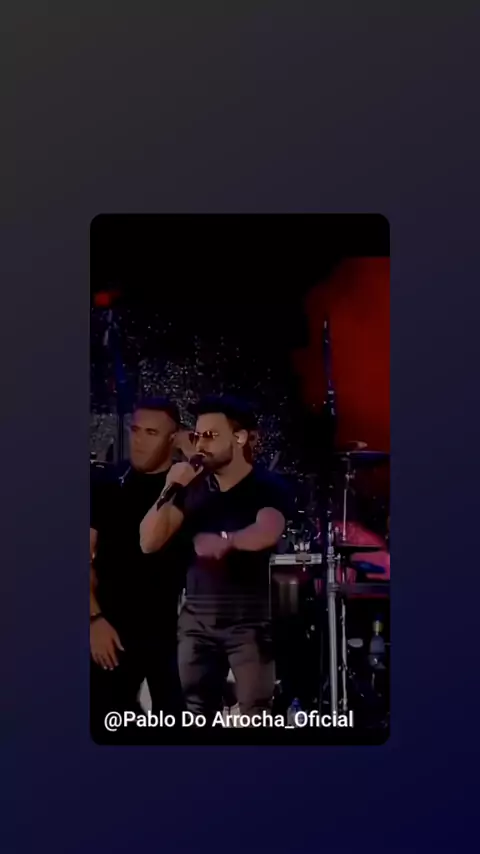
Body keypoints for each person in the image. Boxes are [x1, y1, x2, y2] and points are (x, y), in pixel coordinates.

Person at [140, 395, 292, 724]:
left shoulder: (266, 486)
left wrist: (227, 541)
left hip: (248, 623)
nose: (200, 445)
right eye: (197, 436)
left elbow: (268, 529)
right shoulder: (194, 488)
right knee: (195, 714)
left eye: (210, 436)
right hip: (196, 622)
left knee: (254, 715)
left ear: (239, 438)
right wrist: (169, 487)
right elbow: (149, 542)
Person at [90, 397, 187, 742]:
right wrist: (94, 619)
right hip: (112, 630)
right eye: (135, 430)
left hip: (171, 634)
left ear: (173, 438)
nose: (139, 440)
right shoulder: (106, 485)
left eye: (151, 432)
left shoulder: (187, 487)